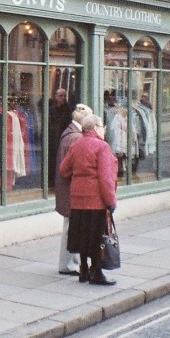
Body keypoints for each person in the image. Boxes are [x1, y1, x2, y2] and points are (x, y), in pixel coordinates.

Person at [59, 114, 118, 285]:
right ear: (94, 128)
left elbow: (64, 170)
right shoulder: (102, 147)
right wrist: (111, 201)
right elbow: (106, 178)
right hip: (96, 201)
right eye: (102, 126)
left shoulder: (76, 146)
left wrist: (78, 176)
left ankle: (83, 270)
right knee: (97, 238)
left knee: (83, 236)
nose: (104, 129)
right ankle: (97, 272)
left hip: (78, 200)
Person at [55, 103, 93, 276]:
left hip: (67, 190)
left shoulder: (70, 133)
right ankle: (68, 264)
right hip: (72, 191)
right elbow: (70, 168)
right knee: (72, 228)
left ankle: (69, 262)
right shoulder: (76, 137)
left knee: (70, 227)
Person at [47, 88, 74, 187]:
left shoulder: (69, 110)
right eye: (60, 96)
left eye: (64, 96)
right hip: (53, 139)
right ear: (56, 97)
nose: (63, 98)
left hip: (65, 139)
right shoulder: (51, 109)